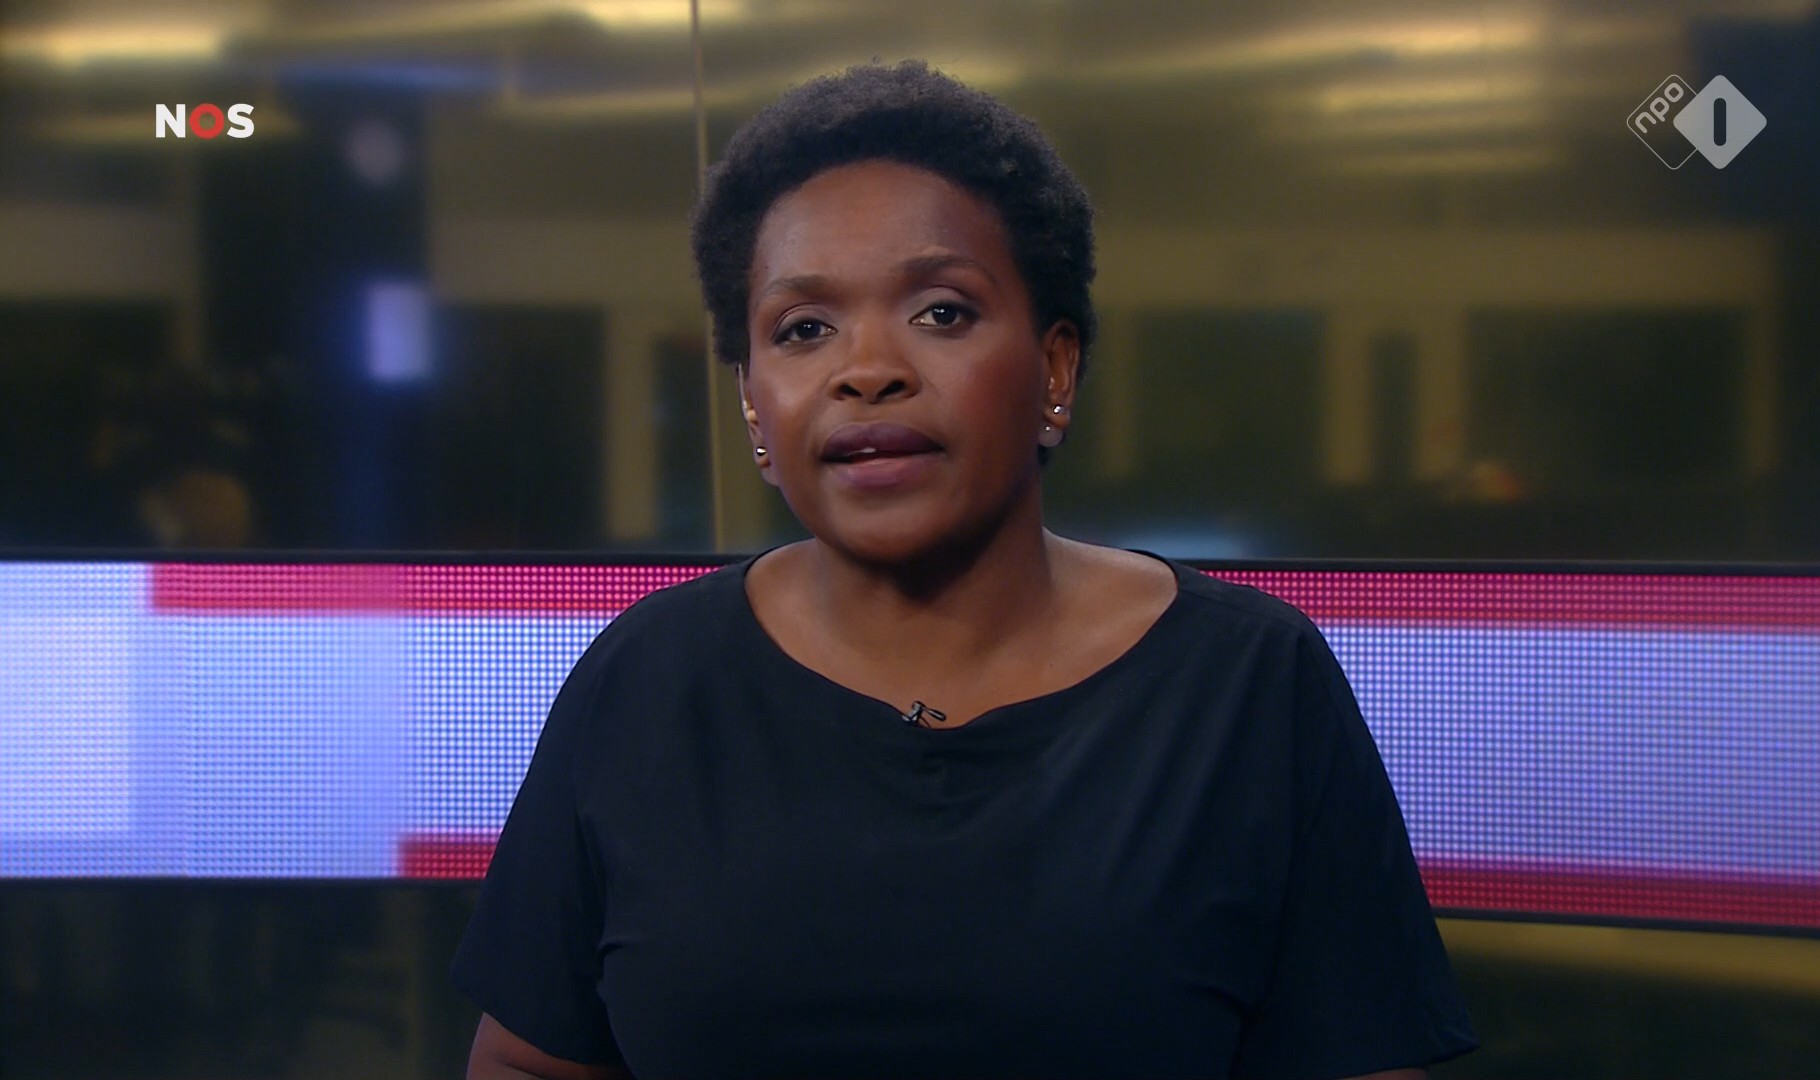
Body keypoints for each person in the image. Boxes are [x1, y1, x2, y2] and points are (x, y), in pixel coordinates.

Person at [452, 60, 1479, 1080]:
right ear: (754, 408)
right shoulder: (646, 679)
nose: (868, 371)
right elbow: (528, 1064)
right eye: (804, 329)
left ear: (1056, 367)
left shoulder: (1250, 685)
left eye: (941, 312)